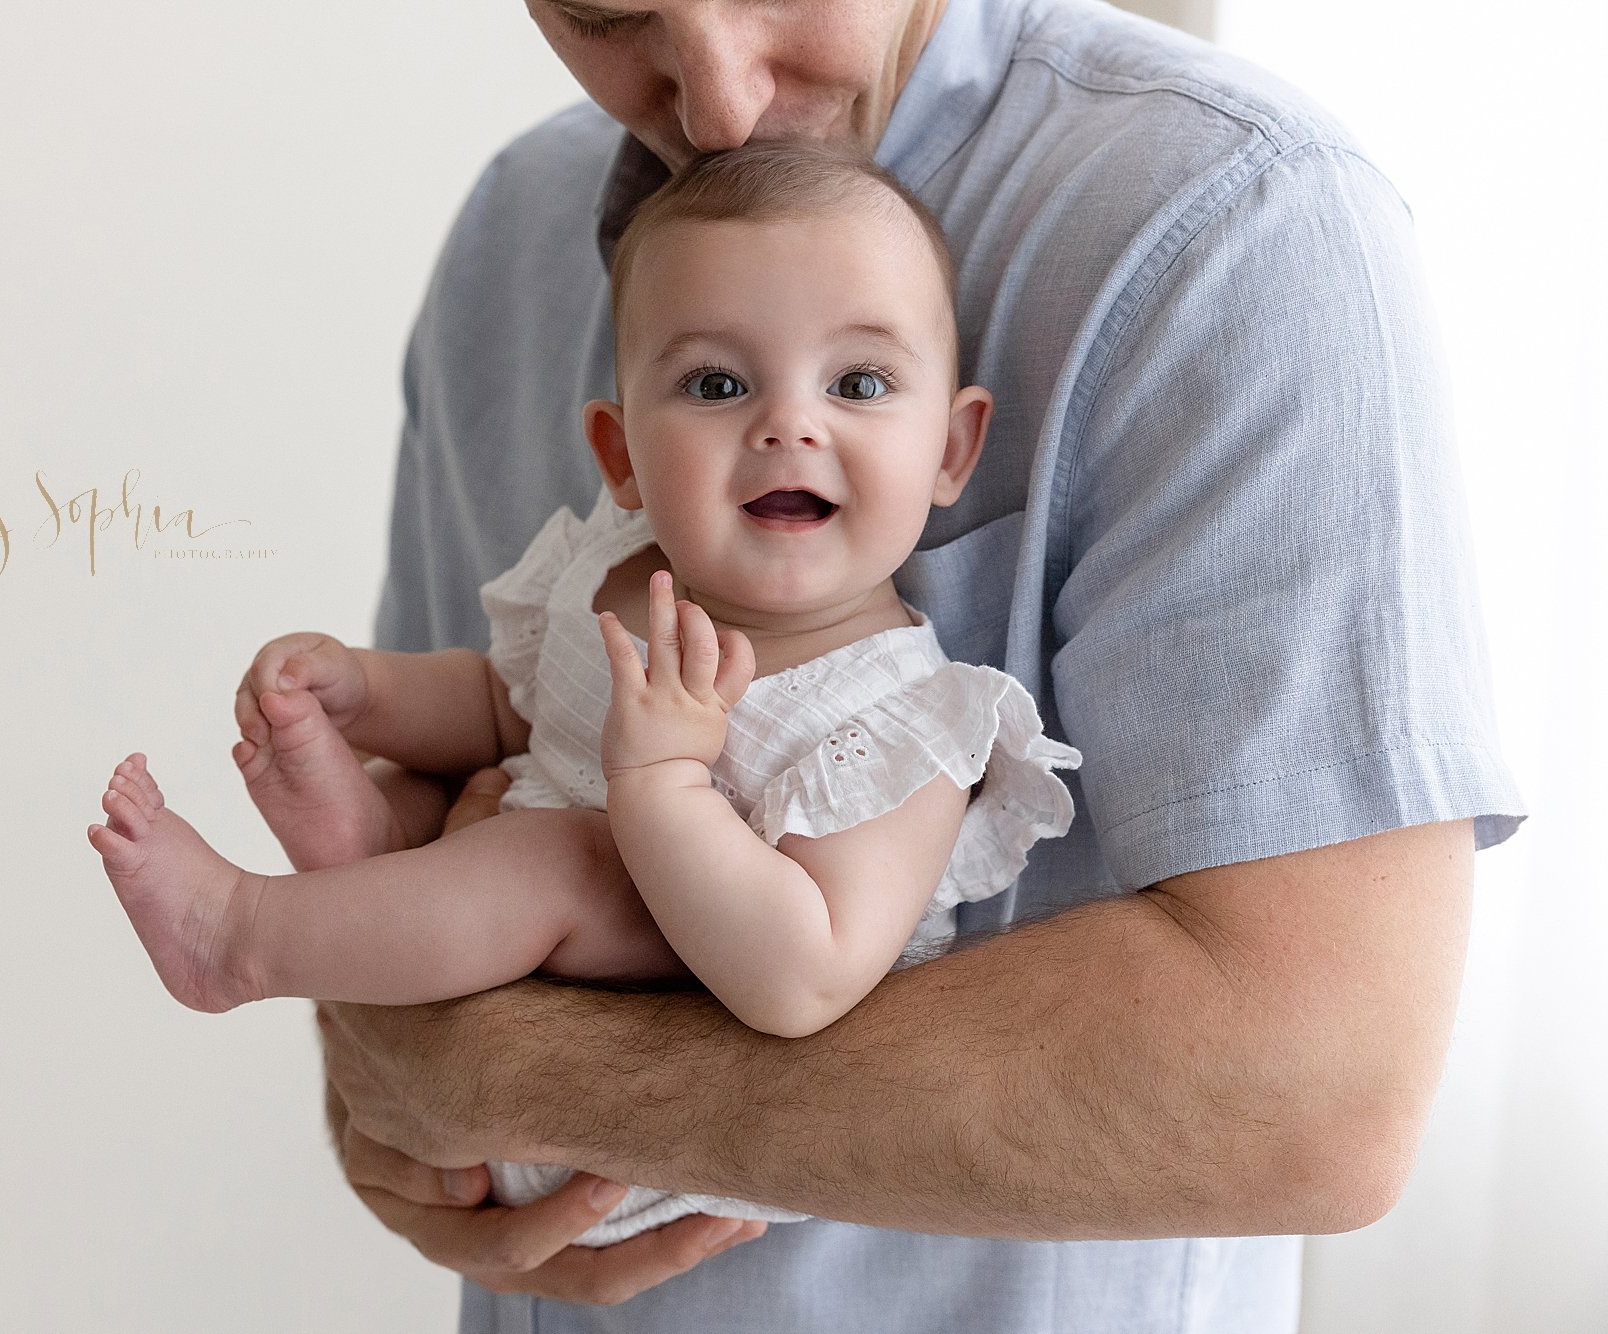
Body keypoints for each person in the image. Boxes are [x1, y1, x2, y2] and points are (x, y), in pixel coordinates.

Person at [259, 0, 1526, 1326]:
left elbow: (1314, 1087)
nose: (719, 108)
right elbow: (434, 807)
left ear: (954, 439)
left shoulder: (1239, 225)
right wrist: (391, 1116)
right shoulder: (508, 237)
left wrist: (528, 1076)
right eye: (606, 15)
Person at [86, 143, 1083, 1247]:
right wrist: (367, 691)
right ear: (620, 451)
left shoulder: (903, 720)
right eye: (715, 384)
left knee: (565, 850)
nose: (787, 424)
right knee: (459, 779)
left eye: (856, 383)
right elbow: (505, 705)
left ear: (949, 448)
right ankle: (364, 841)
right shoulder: (619, 569)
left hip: (649, 1118)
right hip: (480, 1046)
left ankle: (239, 934)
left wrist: (660, 783)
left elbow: (803, 975)